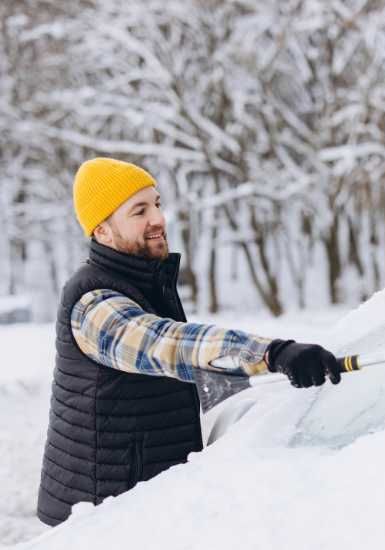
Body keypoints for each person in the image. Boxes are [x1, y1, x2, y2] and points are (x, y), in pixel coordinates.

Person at [38, 157, 343, 526]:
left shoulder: (142, 283)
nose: (158, 219)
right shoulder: (95, 303)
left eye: (157, 204)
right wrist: (270, 353)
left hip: (136, 503)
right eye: (139, 211)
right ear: (102, 231)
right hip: (101, 516)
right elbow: (169, 346)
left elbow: (174, 378)